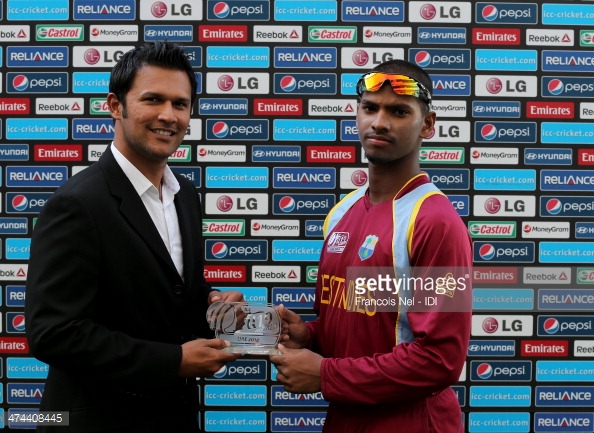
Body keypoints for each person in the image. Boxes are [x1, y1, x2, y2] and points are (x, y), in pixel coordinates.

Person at [25, 42, 242, 433]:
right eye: (152, 99)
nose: (168, 115)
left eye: (180, 104)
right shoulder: (77, 204)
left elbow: (169, 298)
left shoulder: (185, 195)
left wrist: (214, 309)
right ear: (115, 106)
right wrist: (173, 361)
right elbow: (53, 334)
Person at [270, 59, 472, 433]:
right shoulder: (341, 213)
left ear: (427, 124)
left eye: (399, 111)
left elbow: (440, 360)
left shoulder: (435, 221)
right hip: (345, 418)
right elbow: (368, 323)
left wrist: (326, 374)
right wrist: (310, 336)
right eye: (370, 108)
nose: (379, 122)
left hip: (411, 422)